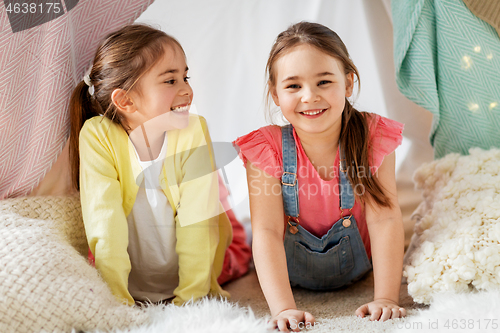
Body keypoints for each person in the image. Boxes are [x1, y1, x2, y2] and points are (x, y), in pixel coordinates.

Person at [233, 21, 406, 331]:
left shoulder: (373, 136)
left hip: (359, 269)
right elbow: (268, 231)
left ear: (348, 83)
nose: (309, 96)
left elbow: (386, 219)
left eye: (324, 81)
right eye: (293, 86)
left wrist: (387, 299)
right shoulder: (267, 147)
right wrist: (283, 308)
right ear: (275, 93)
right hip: (291, 275)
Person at [69, 24, 251, 306]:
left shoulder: (192, 129)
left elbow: (198, 223)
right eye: (171, 81)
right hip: (131, 280)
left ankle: (237, 227)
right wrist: (117, 300)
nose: (187, 90)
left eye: (185, 77)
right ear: (126, 100)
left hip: (193, 273)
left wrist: (190, 298)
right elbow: (104, 223)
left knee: (233, 242)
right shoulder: (97, 136)